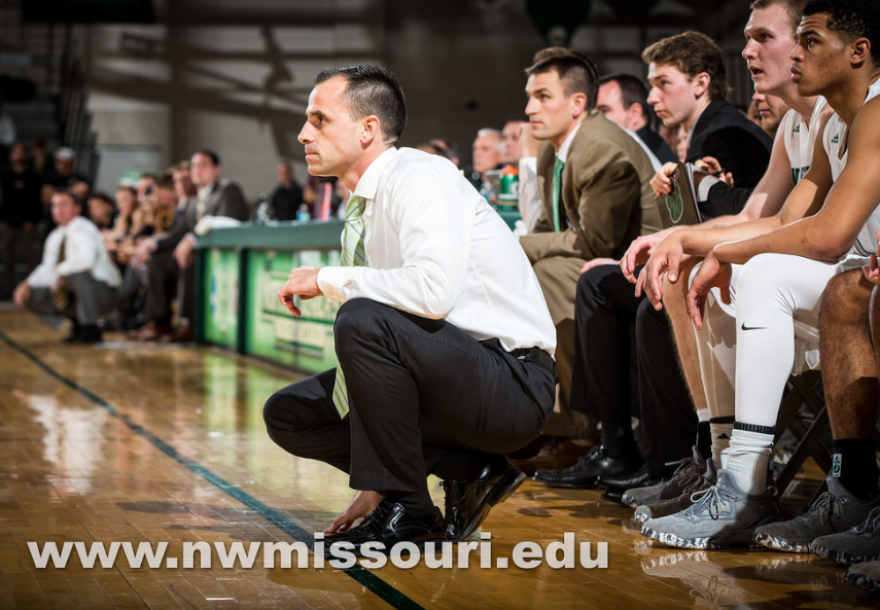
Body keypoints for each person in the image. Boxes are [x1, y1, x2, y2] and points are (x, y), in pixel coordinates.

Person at [263, 65, 556, 552]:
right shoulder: (366, 203)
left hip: (511, 383)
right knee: (290, 414)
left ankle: (411, 510)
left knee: (361, 317)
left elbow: (432, 292)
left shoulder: (420, 177)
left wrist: (327, 279)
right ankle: (469, 469)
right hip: (449, 378)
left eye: (319, 120)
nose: (303, 134)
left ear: (368, 129)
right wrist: (373, 473)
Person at [641, 0, 880, 550]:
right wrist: (704, 245)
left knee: (763, 273)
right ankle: (727, 467)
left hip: (854, 275)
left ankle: (746, 482)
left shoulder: (871, 110)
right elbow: (786, 221)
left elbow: (826, 236)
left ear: (858, 53)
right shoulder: (832, 121)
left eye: (810, 41)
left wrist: (726, 251)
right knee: (738, 273)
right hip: (854, 276)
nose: (797, 54)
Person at [614, 0, 826, 521]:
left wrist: (698, 240)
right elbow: (759, 214)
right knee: (684, 269)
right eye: (747, 38)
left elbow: (797, 227)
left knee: (734, 273)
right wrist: (676, 237)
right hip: (817, 270)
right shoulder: (794, 125)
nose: (747, 51)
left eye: (763, 37)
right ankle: (716, 458)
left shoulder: (838, 113)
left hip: (838, 278)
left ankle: (744, 475)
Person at [513, 49, 663, 474]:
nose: (530, 109)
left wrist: (518, 247)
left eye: (543, 97)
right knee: (524, 271)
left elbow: (596, 242)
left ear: (578, 103)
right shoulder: (554, 150)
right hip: (608, 262)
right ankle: (544, 419)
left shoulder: (599, 148)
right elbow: (547, 226)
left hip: (648, 270)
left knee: (549, 273)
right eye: (529, 97)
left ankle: (581, 431)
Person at [13, 190, 121, 343]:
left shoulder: (84, 228)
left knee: (77, 275)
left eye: (64, 205)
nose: (58, 210)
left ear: (77, 208)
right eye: (55, 205)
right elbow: (46, 267)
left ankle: (91, 327)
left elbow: (86, 262)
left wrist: (60, 272)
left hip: (103, 293)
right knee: (30, 294)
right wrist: (27, 284)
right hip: (75, 290)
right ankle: (76, 323)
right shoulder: (55, 235)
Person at [596, 73, 677, 164]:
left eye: (603, 111)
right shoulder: (653, 147)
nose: (594, 117)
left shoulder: (632, 155)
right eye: (592, 112)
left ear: (635, 113)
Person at [0, 143, 42, 298]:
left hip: (28, 225)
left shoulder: (33, 176)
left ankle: (30, 291)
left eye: (20, 153)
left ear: (26, 155)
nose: (18, 156)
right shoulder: (5, 175)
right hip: (8, 224)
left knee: (31, 259)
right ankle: (7, 291)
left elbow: (37, 201)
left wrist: (33, 221)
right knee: (6, 260)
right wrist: (3, 220)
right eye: (15, 153)